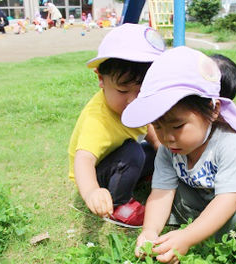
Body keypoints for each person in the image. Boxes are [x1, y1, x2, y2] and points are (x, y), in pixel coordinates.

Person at [122, 47, 236, 264]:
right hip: (206, 193)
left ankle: (204, 229)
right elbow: (162, 192)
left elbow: (229, 200)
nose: (167, 138)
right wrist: (149, 231)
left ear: (213, 109)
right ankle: (204, 225)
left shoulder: (233, 144)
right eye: (157, 127)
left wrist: (187, 237)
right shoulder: (167, 150)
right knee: (170, 197)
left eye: (177, 126)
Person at [68, 24, 166, 227]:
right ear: (101, 79)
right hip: (96, 176)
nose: (133, 100)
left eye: (141, 91)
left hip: (120, 164)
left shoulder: (137, 105)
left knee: (157, 150)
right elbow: (83, 160)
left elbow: (149, 129)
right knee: (132, 152)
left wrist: (162, 150)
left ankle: (138, 176)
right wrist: (92, 191)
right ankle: (119, 202)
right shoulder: (98, 119)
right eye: (123, 91)